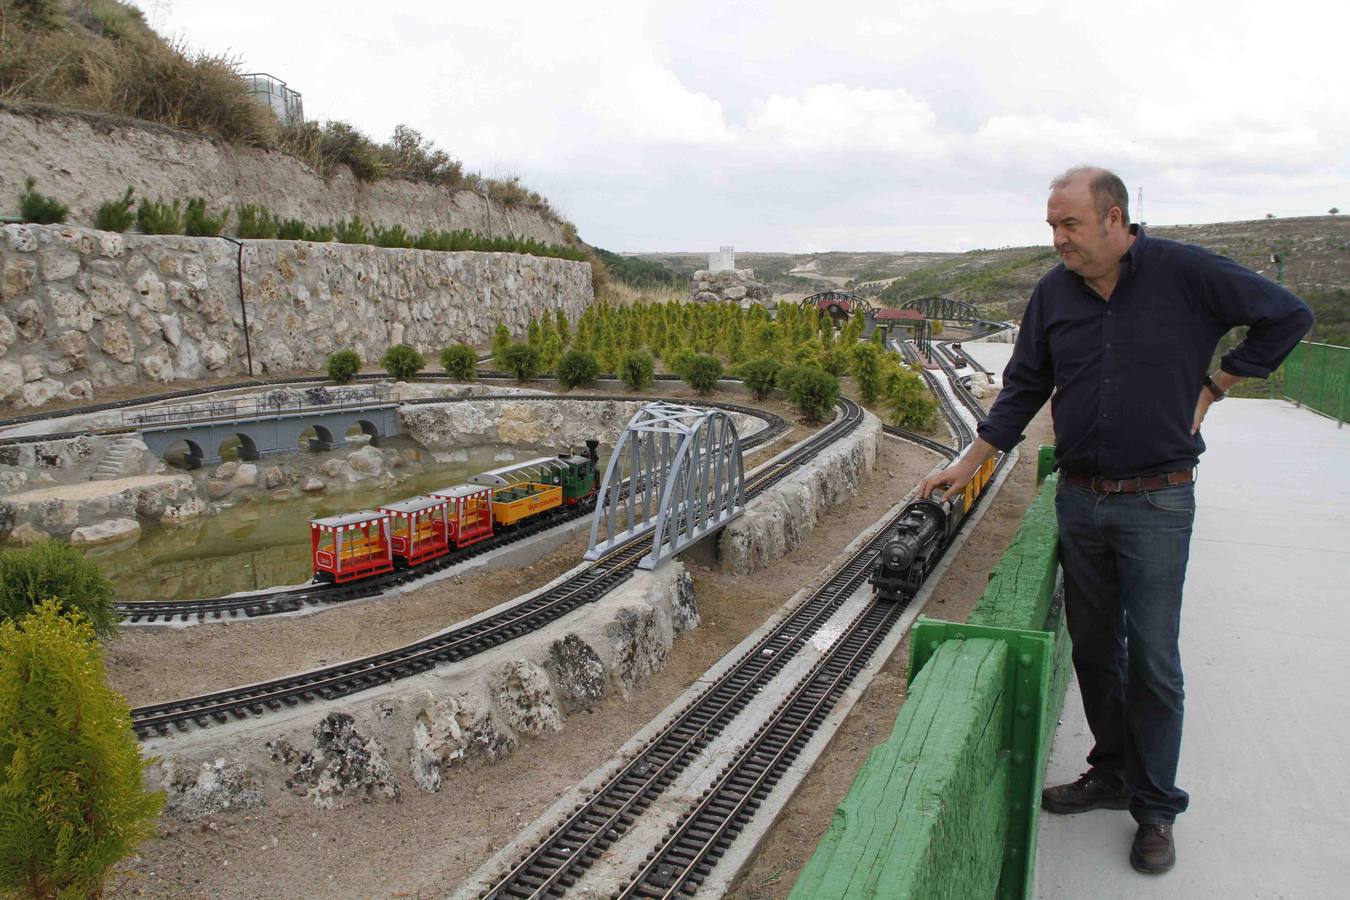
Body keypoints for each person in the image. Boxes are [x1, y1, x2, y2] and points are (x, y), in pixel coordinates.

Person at [919, 166, 1313, 875]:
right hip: (1081, 497)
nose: (1057, 238)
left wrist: (1217, 384)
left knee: (1154, 662)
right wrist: (970, 462)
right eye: (1051, 225)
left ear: (1114, 218)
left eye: (1069, 224)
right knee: (1097, 650)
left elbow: (1289, 315)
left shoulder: (1186, 273)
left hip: (1158, 500)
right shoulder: (1053, 294)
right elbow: (1025, 388)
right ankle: (1112, 773)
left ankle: (1156, 807)